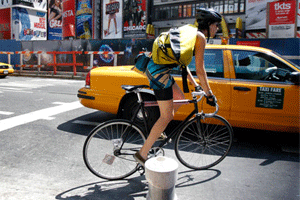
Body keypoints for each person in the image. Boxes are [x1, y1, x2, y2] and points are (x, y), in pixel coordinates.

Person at [133, 8, 222, 166]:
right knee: (166, 116)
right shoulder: (200, 37)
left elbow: (183, 64)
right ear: (208, 25)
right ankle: (142, 154)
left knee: (180, 99)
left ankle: (159, 129)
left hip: (157, 68)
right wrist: (209, 94)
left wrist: (195, 86)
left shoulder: (189, 32)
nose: (217, 28)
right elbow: (201, 70)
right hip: (159, 72)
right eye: (216, 25)